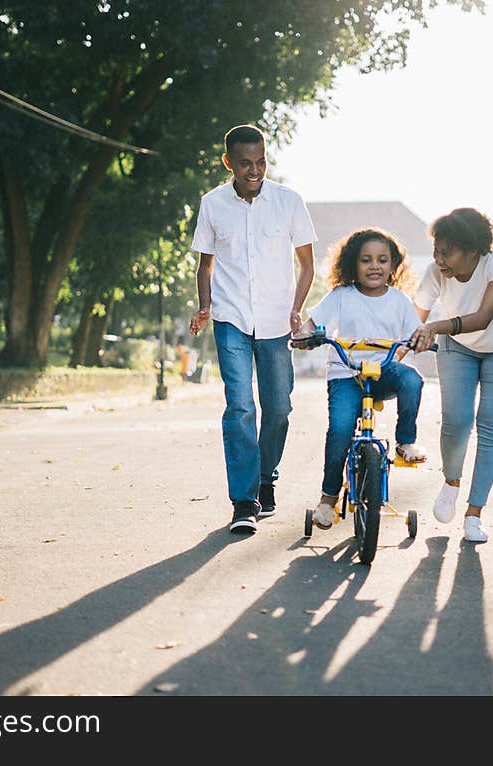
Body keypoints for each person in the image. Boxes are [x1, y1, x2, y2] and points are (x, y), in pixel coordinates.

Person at [189, 124, 317, 534]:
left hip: (277, 321)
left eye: (261, 161)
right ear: (229, 162)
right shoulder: (212, 204)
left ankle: (266, 478)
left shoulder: (288, 201)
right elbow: (205, 264)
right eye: (245, 163)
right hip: (230, 319)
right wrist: (205, 307)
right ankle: (244, 501)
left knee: (278, 408)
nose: (255, 170)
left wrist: (297, 310)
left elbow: (307, 264)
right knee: (241, 406)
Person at [293, 228, 426, 530]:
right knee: (340, 429)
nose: (374, 266)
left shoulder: (400, 301)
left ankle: (405, 442)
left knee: (412, 380)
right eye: (366, 260)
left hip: (382, 372)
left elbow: (416, 331)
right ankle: (328, 499)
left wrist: (421, 339)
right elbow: (313, 324)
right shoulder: (342, 296)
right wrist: (304, 335)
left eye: (382, 260)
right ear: (353, 264)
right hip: (346, 373)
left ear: (393, 266)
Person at [410, 207, 493, 543]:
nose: (438, 259)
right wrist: (396, 347)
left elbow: (484, 317)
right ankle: (451, 481)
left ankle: (474, 514)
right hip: (458, 348)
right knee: (457, 420)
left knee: (491, 425)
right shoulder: (436, 272)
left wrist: (434, 326)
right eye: (436, 250)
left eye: (446, 252)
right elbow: (412, 319)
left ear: (474, 250)